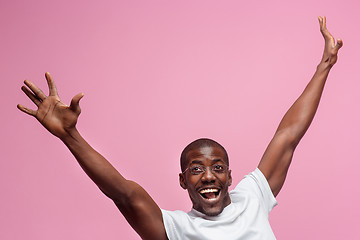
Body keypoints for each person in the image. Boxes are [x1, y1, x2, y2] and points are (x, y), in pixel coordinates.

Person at [17, 16, 342, 240]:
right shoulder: (174, 228)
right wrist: (71, 136)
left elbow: (287, 136)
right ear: (183, 180)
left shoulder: (253, 197)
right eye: (196, 169)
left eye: (217, 167)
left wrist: (324, 65)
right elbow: (124, 194)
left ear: (230, 176)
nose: (209, 175)